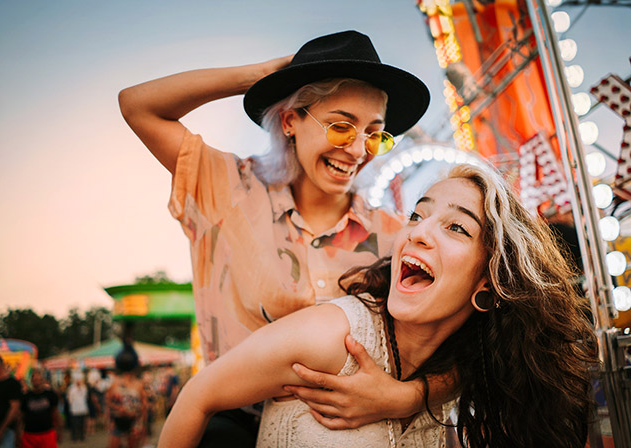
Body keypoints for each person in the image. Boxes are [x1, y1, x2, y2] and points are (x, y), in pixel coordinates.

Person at [119, 30, 447, 444]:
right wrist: (262, 76)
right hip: (233, 427)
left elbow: (464, 348)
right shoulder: (229, 190)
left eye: (373, 133)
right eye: (342, 126)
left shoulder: (395, 235)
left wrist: (405, 397)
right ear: (291, 120)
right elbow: (138, 105)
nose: (358, 149)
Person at [158, 164, 597, 447]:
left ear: (489, 282)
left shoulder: (466, 366)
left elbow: (487, 364)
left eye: (456, 228)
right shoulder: (331, 337)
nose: (418, 231)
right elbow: (197, 395)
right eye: (417, 216)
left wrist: (411, 396)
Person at [106, 343, 148, 448]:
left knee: (132, 445)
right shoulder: (115, 383)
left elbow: (144, 405)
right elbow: (107, 401)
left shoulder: (138, 384)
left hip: (134, 421)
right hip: (118, 421)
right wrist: (118, 408)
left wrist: (143, 424)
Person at [0, 356, 22, 448]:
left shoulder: (12, 383)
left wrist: (2, 428)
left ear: (0, 366)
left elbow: (14, 408)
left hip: (8, 428)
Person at [20, 370, 60, 448]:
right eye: (35, 380)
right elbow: (21, 416)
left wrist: (59, 429)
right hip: (30, 435)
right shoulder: (26, 397)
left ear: (43, 381)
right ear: (31, 381)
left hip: (47, 434)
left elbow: (55, 412)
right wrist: (19, 432)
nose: (37, 383)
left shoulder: (50, 395)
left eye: (39, 380)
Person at [66, 371, 89, 441]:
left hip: (82, 408)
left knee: (82, 424)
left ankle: (82, 436)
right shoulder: (71, 388)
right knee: (74, 424)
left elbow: (85, 396)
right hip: (74, 409)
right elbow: (69, 399)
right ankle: (74, 437)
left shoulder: (84, 387)